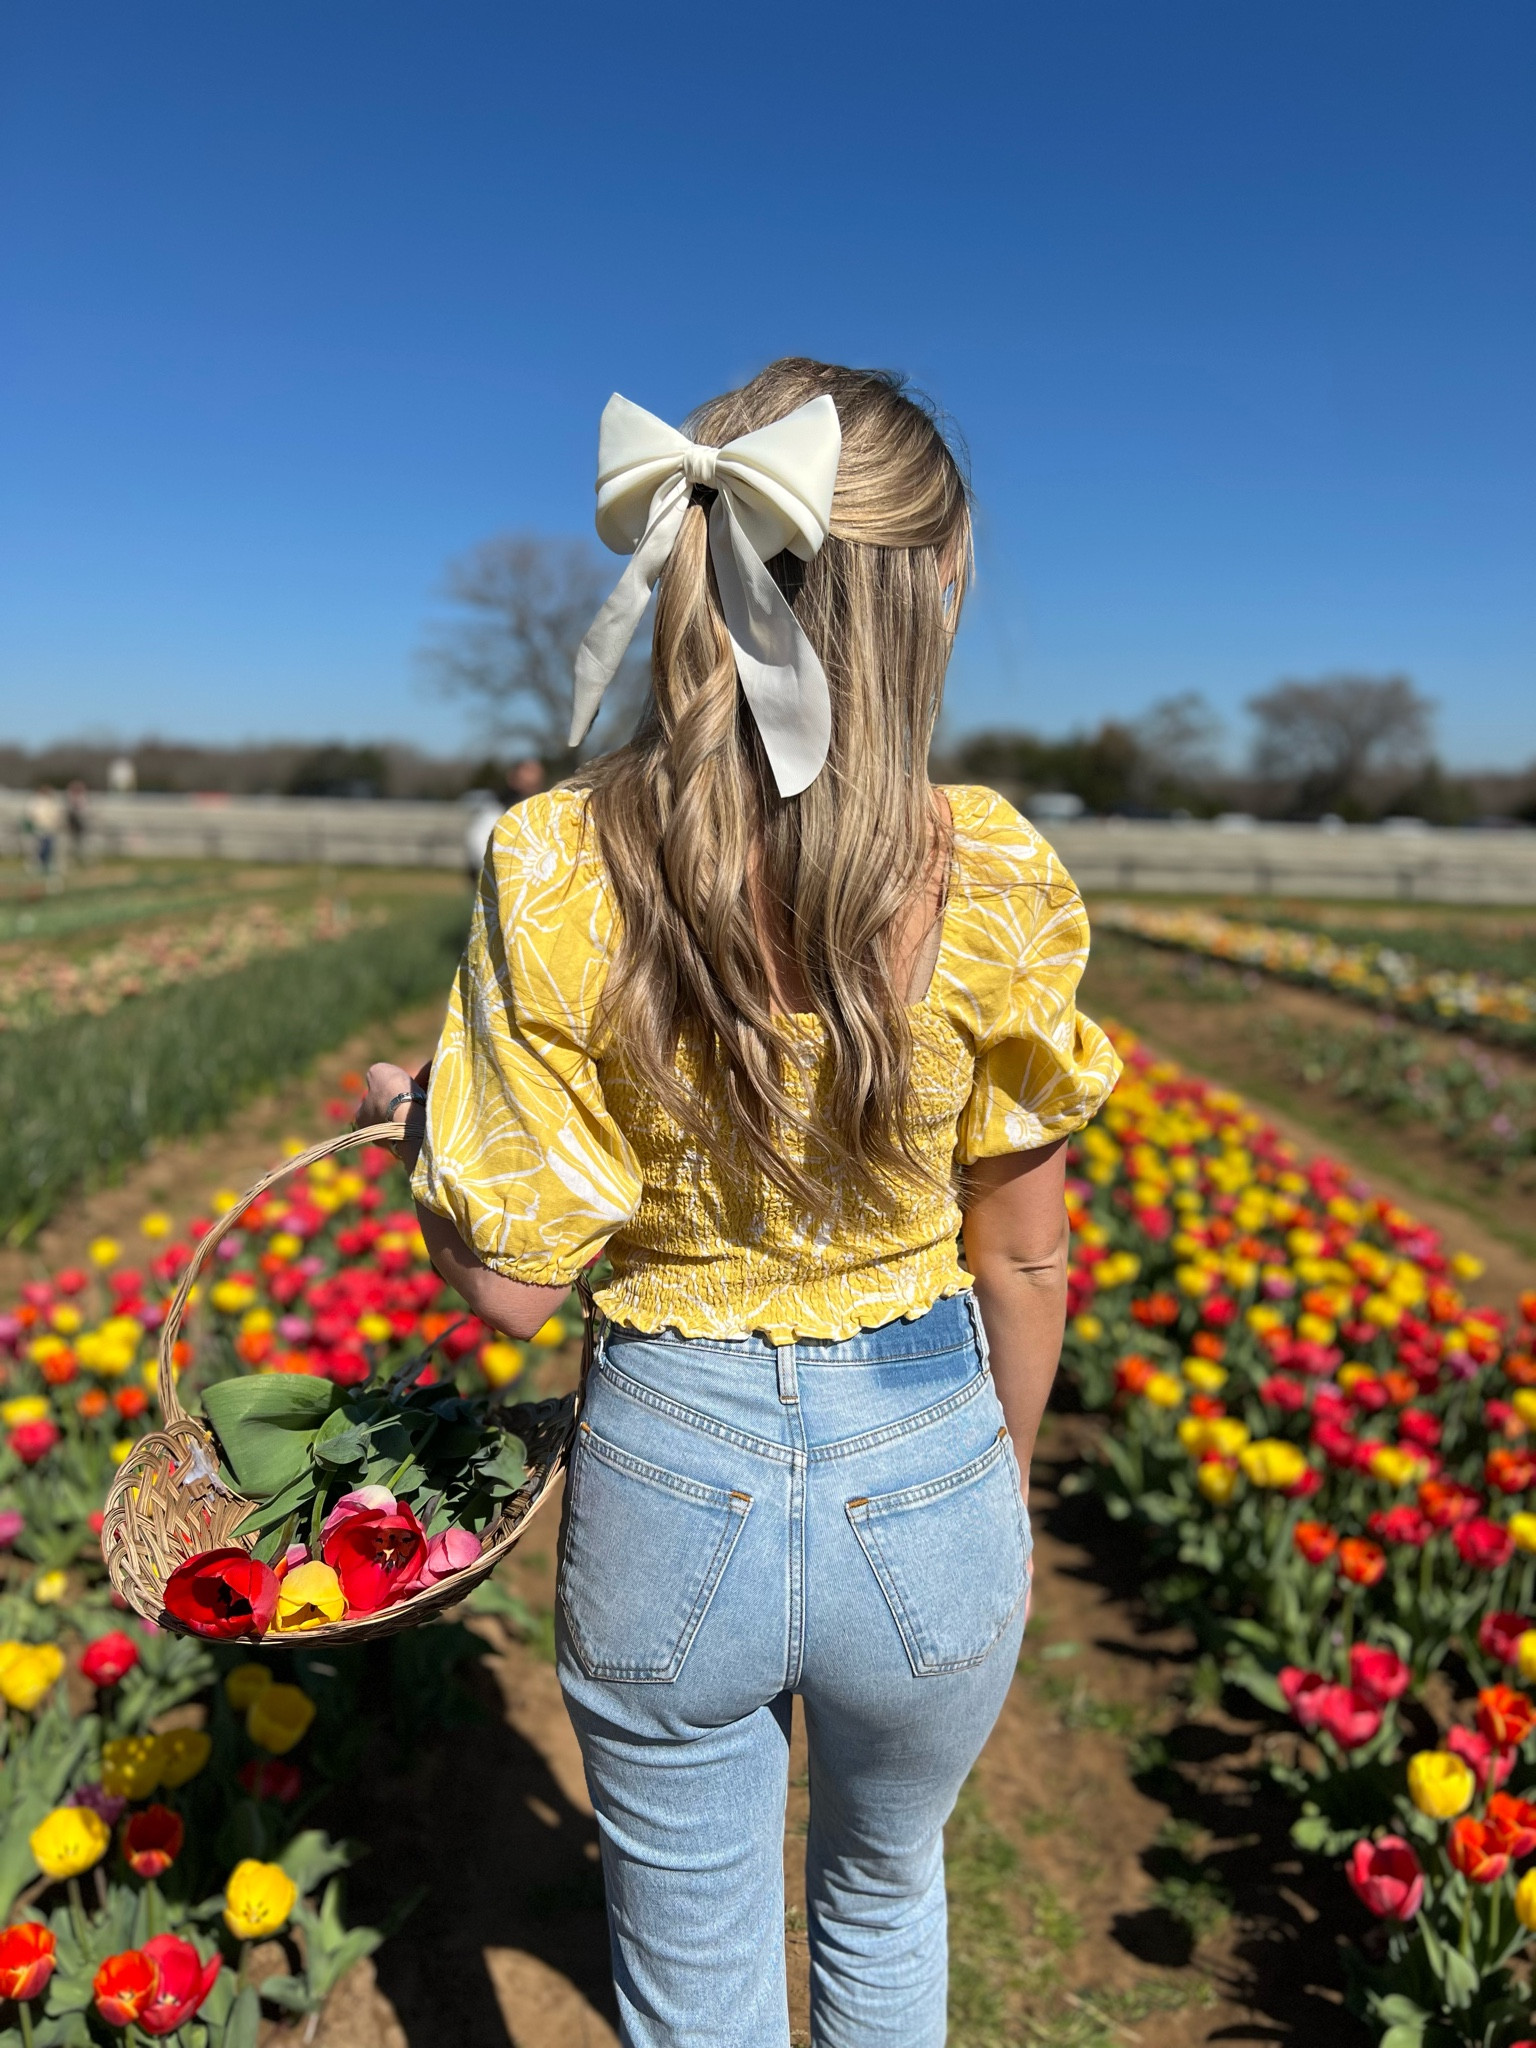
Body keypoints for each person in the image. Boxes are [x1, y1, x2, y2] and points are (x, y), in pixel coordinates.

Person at [357, 358, 1119, 2048]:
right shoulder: (996, 871)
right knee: (884, 1892)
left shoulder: (556, 859)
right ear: (929, 594)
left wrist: (424, 1141)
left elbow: (512, 1288)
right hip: (928, 1454)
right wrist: (988, 1486)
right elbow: (1022, 1252)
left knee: (690, 1962)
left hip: (664, 1467)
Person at [463, 755, 547, 883]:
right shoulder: (495, 810)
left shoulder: (544, 811)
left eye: (535, 783)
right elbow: (478, 845)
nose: (531, 785)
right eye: (526, 781)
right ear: (512, 778)